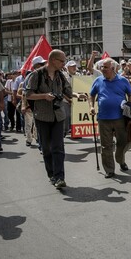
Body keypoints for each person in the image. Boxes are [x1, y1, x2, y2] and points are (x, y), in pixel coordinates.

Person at [25, 50, 85, 189]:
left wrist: (76, 95)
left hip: (58, 115)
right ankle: (51, 174)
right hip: (42, 116)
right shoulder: (36, 75)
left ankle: (59, 177)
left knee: (58, 147)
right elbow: (28, 94)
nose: (64, 64)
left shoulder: (61, 75)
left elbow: (67, 91)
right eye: (62, 61)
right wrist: (44, 96)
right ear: (52, 60)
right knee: (46, 148)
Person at [89, 58, 131, 178]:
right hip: (103, 118)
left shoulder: (123, 80)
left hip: (120, 118)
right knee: (106, 146)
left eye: (105, 67)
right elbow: (91, 95)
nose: (102, 69)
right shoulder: (98, 80)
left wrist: (130, 104)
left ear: (113, 68)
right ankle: (109, 169)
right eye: (102, 67)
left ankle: (120, 159)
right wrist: (91, 107)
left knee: (123, 142)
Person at [63, 60, 79, 136]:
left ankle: (75, 132)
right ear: (68, 67)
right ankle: (65, 130)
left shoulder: (79, 75)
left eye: (75, 66)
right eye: (72, 66)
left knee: (75, 117)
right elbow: (62, 90)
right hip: (65, 100)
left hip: (77, 100)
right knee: (66, 116)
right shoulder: (64, 76)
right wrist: (68, 99)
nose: (74, 68)